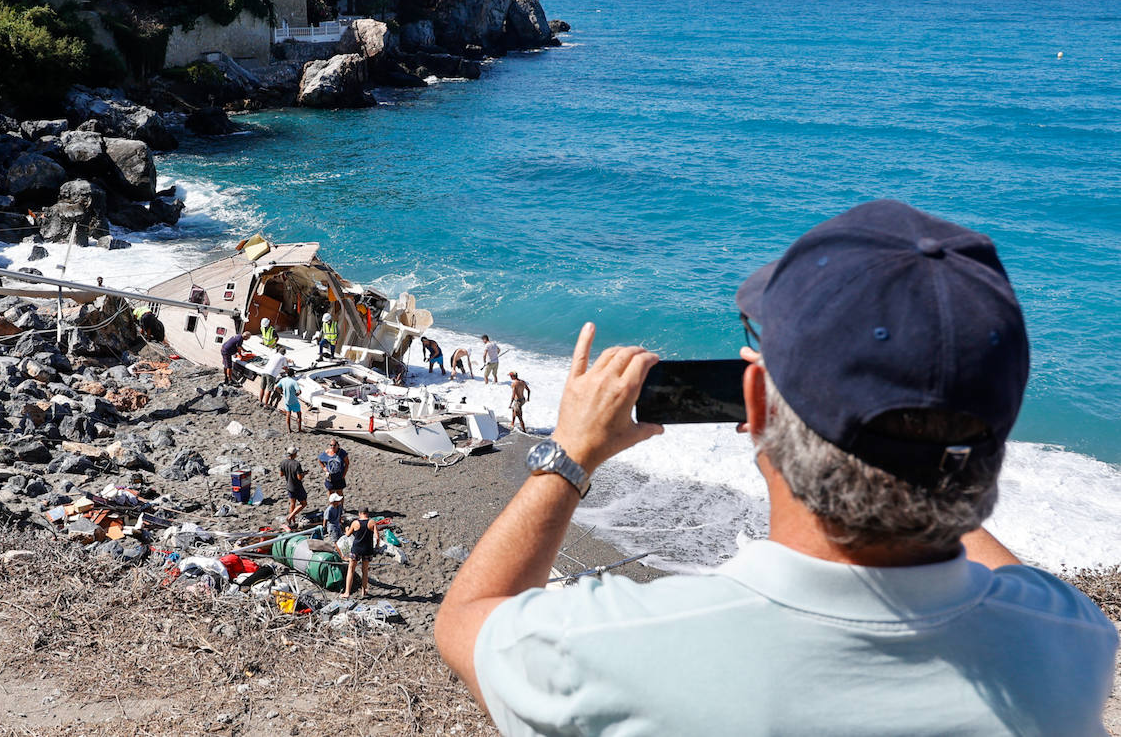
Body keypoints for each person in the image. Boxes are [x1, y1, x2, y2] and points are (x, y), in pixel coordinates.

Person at [435, 200, 1118, 735]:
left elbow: (467, 618)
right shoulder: (1069, 643)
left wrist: (570, 454)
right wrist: (916, 444)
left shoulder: (619, 650)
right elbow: (985, 550)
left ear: (756, 399)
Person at [344, 508, 380, 598]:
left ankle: (347, 592)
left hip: (356, 549)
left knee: (351, 570)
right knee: (365, 571)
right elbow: (377, 537)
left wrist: (346, 529)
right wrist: (377, 545)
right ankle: (364, 591)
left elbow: (348, 534)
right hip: (367, 549)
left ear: (359, 513)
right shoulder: (372, 522)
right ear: (367, 513)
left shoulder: (355, 523)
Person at [278, 445, 307, 529]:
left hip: (289, 485)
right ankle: (290, 517)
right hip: (297, 486)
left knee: (292, 503)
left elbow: (281, 474)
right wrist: (304, 473)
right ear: (294, 454)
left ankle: (292, 522)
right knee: (303, 503)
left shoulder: (283, 462)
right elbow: (299, 477)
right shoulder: (296, 464)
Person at [277, 367, 304, 432]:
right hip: (294, 400)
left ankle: (289, 429)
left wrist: (281, 392)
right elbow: (299, 391)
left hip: (286, 400)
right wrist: (297, 394)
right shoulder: (294, 382)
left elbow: (276, 387)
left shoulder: (283, 380)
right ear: (293, 374)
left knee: (288, 414)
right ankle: (299, 429)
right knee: (299, 414)